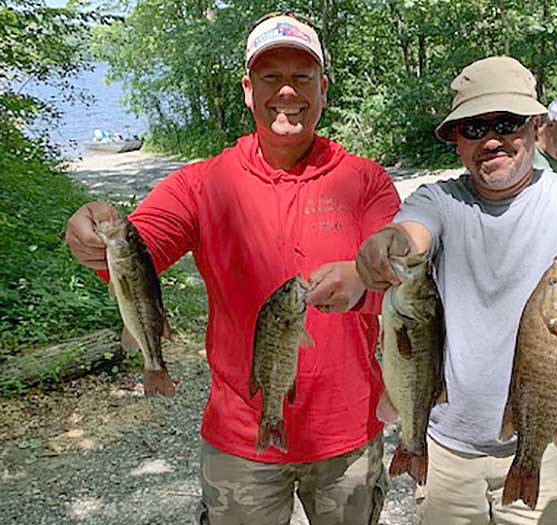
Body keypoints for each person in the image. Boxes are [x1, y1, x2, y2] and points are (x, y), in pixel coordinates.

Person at [65, 13, 399, 525]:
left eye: (301, 77)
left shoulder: (365, 180)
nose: (286, 91)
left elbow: (395, 258)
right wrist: (93, 236)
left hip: (347, 435)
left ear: (323, 89)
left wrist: (363, 274)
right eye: (270, 77)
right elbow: (138, 251)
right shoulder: (202, 184)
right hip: (240, 438)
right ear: (248, 89)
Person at [356, 56, 557, 525]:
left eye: (506, 123)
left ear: (534, 126)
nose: (491, 140)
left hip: (544, 447)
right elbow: (410, 235)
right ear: (457, 143)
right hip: (446, 452)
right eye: (472, 128)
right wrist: (387, 245)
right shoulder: (439, 201)